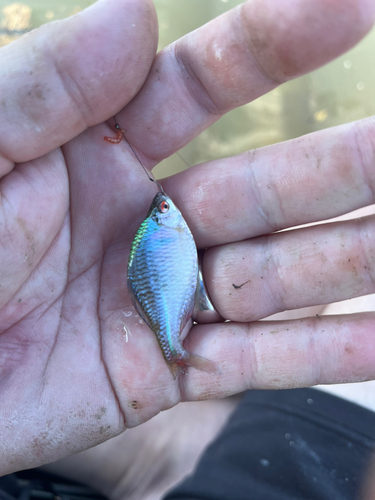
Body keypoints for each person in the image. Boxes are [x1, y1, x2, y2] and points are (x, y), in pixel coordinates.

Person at [0, 0, 375, 497]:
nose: (165, 209)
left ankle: (156, 454)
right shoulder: (164, 229)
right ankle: (158, 450)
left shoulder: (162, 230)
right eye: (162, 212)